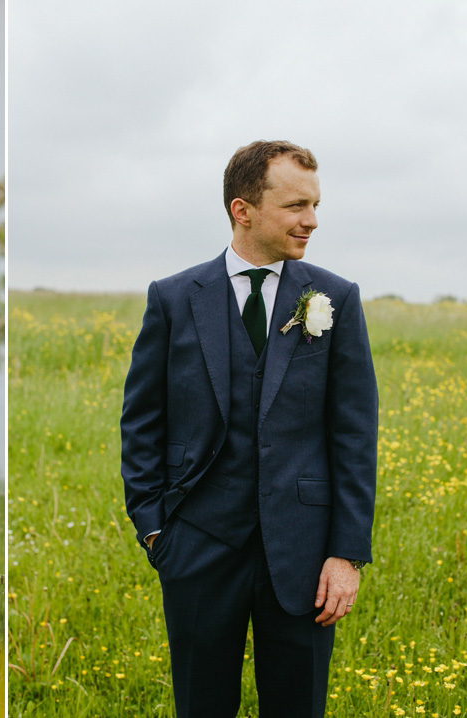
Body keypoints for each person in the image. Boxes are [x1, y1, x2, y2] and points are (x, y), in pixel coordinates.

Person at [120, 140, 378, 717]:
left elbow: (355, 433)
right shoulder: (173, 298)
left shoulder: (335, 297)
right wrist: (154, 528)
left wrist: (346, 553)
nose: (311, 221)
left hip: (306, 554)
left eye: (315, 205)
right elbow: (142, 421)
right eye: (294, 206)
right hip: (197, 545)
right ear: (243, 210)